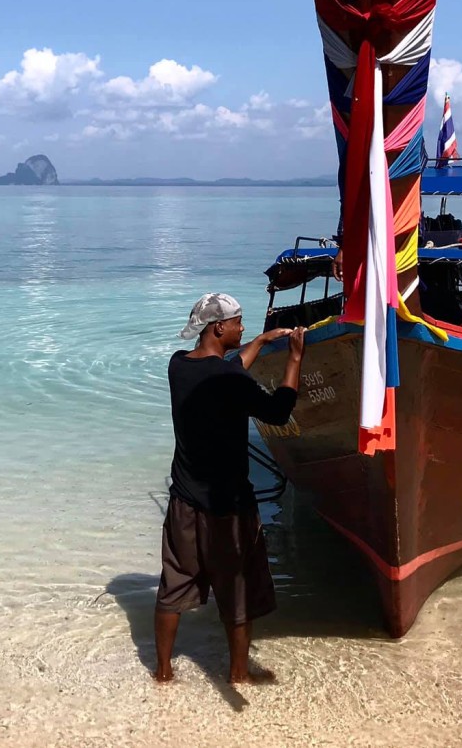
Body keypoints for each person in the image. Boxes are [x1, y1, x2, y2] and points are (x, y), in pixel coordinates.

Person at [154, 292, 305, 684]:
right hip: (229, 507)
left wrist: (258, 343)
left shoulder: (178, 367)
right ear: (219, 328)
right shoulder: (232, 379)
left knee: (174, 584)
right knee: (238, 588)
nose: (242, 327)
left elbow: (225, 369)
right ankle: (238, 673)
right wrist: (294, 359)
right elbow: (278, 410)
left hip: (184, 502)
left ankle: (164, 671)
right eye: (238, 323)